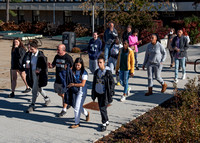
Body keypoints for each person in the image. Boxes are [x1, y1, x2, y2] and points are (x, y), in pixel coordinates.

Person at [24, 40, 50, 113]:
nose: (30, 50)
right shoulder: (30, 55)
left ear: (36, 48)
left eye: (32, 49)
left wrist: (39, 69)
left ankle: (32, 105)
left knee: (34, 90)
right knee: (38, 88)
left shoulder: (40, 56)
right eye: (29, 49)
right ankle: (47, 98)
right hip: (31, 73)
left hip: (38, 75)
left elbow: (44, 66)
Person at [48, 44, 73, 117]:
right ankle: (67, 102)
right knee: (59, 93)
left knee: (63, 94)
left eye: (59, 50)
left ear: (63, 50)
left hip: (64, 79)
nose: (57, 51)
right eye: (57, 49)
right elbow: (53, 65)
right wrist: (50, 66)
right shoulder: (57, 56)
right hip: (58, 78)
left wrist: (68, 71)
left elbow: (72, 68)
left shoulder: (68, 58)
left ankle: (64, 109)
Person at [92, 55, 115, 132]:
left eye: (101, 62)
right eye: (98, 62)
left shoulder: (108, 72)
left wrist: (111, 92)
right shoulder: (96, 72)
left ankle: (104, 123)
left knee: (102, 108)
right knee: (103, 108)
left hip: (105, 93)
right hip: (98, 92)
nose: (99, 64)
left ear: (104, 63)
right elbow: (94, 83)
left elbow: (112, 83)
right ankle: (107, 120)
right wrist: (93, 93)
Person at [67, 58, 90, 128]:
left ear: (82, 65)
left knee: (76, 108)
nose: (77, 67)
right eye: (76, 65)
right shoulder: (73, 71)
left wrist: (73, 84)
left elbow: (82, 84)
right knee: (77, 106)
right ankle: (86, 114)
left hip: (81, 92)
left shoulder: (84, 73)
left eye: (79, 65)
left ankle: (77, 123)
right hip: (74, 91)